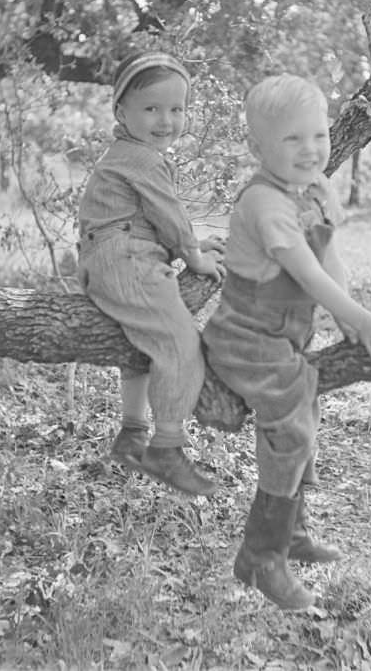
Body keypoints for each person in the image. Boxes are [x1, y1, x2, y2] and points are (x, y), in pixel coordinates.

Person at [202, 73, 371, 609]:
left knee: (306, 411)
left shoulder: (314, 189)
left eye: (317, 134)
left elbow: (330, 259)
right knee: (290, 428)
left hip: (283, 337)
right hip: (245, 338)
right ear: (258, 148)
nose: (310, 149)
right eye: (292, 139)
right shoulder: (265, 203)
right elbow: (307, 275)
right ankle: (262, 557)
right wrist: (358, 320)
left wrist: (351, 319)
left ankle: (292, 530)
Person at [77, 50, 225, 497]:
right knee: (181, 344)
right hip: (124, 259)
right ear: (122, 112)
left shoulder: (130, 154)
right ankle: (166, 448)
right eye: (151, 108)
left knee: (145, 344)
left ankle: (132, 432)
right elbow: (169, 214)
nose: (166, 120)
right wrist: (194, 255)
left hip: (114, 258)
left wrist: (189, 247)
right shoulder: (141, 158)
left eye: (177, 109)